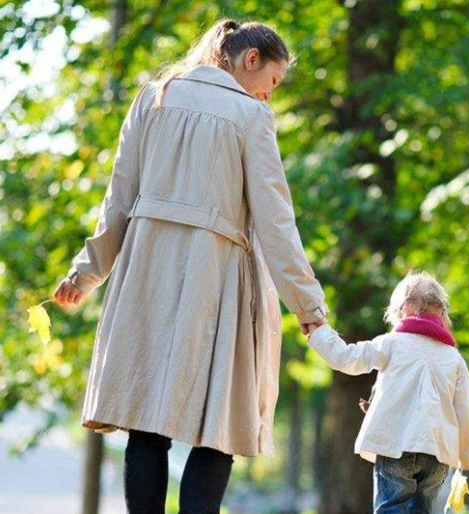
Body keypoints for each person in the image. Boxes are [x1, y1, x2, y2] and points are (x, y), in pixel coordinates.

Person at [53, 19, 327, 514]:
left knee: (145, 421)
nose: (270, 94)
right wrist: (307, 304)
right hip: (214, 278)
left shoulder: (152, 98)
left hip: (146, 272)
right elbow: (275, 221)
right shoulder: (250, 117)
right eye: (274, 81)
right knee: (218, 424)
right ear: (250, 60)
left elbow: (119, 196)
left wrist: (85, 273)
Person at [307, 270, 469, 514]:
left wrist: (319, 333)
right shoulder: (453, 358)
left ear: (403, 309)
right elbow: (465, 409)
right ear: (441, 313)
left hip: (397, 445)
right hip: (437, 454)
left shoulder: (391, 343)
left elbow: (347, 358)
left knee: (392, 509)